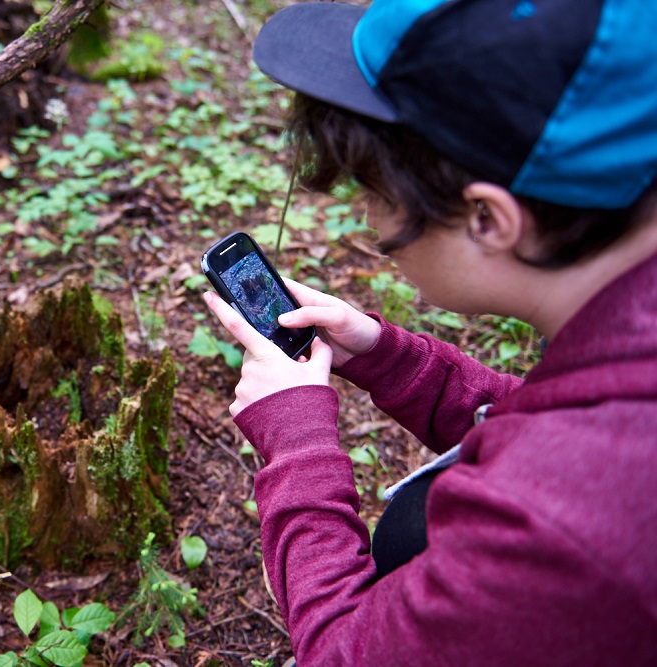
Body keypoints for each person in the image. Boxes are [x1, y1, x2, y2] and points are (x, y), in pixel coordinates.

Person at [203, 0, 657, 664]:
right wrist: (388, 357)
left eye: (378, 194)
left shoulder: (564, 526)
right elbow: (548, 420)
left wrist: (299, 445)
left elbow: (343, 654)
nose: (376, 228)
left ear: (487, 218)